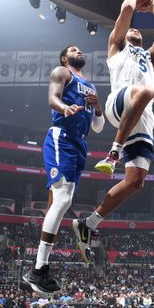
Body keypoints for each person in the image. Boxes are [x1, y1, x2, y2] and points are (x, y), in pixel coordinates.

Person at [73, 0, 154, 261]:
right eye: (131, 28)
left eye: (137, 30)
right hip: (119, 102)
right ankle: (114, 152)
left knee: (136, 181)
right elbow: (127, 11)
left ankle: (88, 224)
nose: (134, 29)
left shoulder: (149, 56)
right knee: (147, 91)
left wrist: (153, 6)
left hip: (143, 119)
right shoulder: (116, 47)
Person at [22, 45, 104, 293]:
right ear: (64, 58)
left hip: (80, 142)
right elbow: (52, 98)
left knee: (64, 200)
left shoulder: (91, 87)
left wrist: (98, 107)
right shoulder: (62, 72)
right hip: (62, 137)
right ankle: (38, 269)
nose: (79, 52)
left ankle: (40, 270)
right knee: (62, 199)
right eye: (74, 50)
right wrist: (64, 107)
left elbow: (98, 127)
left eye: (81, 50)